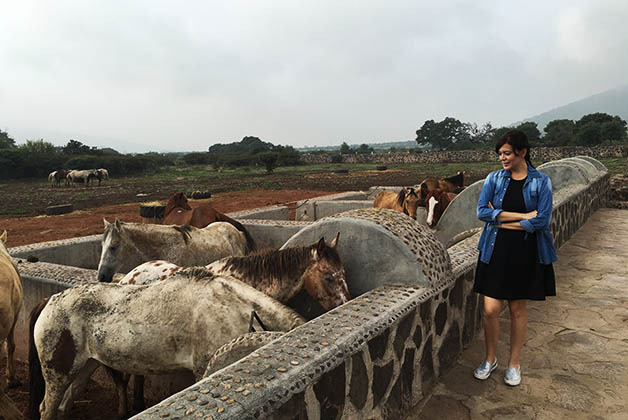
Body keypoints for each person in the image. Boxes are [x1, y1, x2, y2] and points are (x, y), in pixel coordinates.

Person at [472, 129, 557, 386]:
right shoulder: (494, 179)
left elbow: (542, 220)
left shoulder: (541, 182)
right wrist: (522, 218)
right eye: (500, 154)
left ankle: (514, 363)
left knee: (518, 309)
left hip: (525, 252)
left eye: (507, 153)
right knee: (490, 310)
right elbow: (481, 213)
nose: (502, 158)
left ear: (522, 152)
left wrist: (500, 217)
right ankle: (490, 359)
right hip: (495, 249)